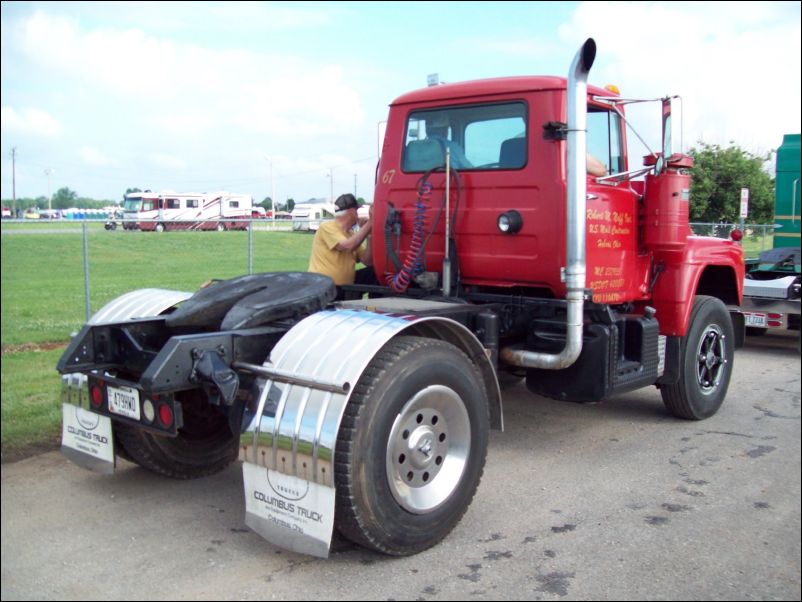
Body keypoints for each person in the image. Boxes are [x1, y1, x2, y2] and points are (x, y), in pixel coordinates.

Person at [308, 193, 377, 292]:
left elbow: (368, 261)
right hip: (324, 289)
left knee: (373, 272)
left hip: (343, 288)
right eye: (357, 211)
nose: (358, 215)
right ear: (352, 211)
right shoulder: (326, 227)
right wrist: (371, 222)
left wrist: (369, 234)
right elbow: (347, 246)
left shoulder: (352, 235)